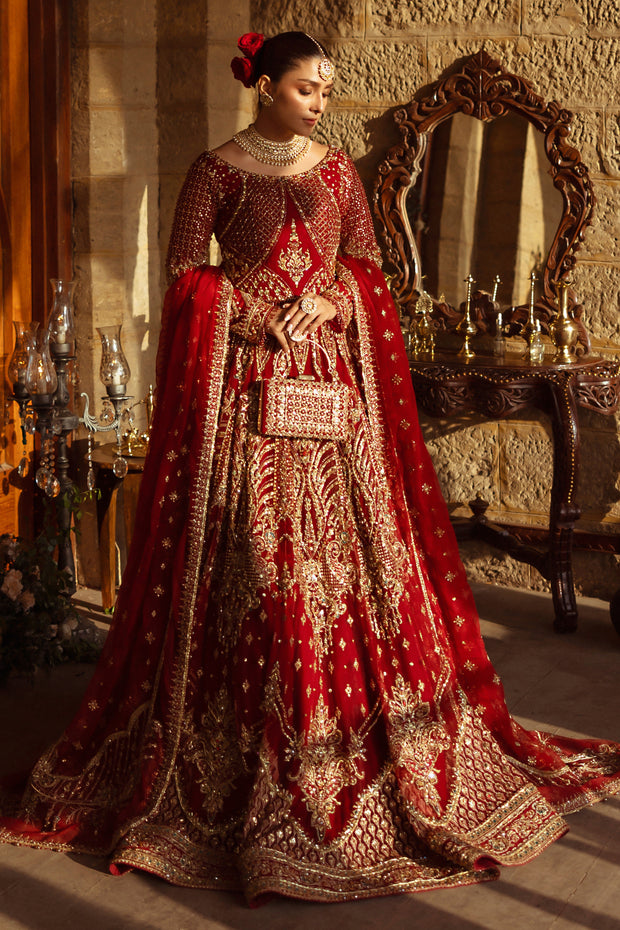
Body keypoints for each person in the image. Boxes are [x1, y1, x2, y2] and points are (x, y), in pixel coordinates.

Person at [1, 30, 619, 904]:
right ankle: (254, 743)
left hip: (333, 386)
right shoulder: (215, 172)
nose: (320, 103)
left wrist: (330, 296)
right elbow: (185, 274)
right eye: (305, 89)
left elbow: (367, 265)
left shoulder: (335, 172)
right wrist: (248, 314)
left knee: (358, 558)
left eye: (326, 89)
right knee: (256, 556)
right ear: (262, 87)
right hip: (249, 392)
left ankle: (355, 734)